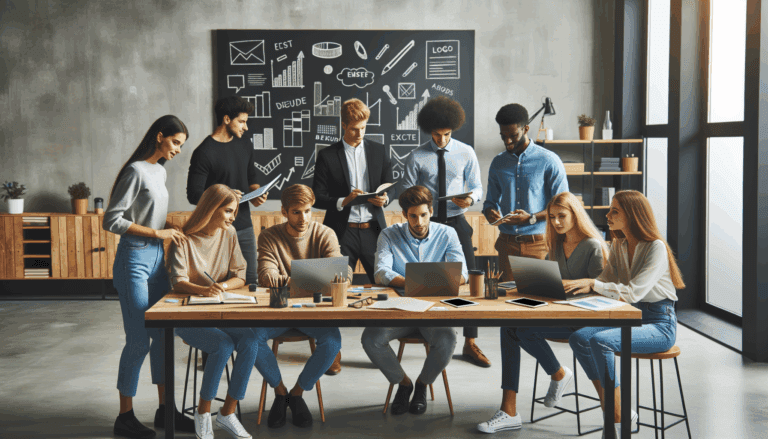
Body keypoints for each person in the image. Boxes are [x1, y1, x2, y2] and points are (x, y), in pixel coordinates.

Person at [477, 191, 608, 433]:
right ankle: (510, 410)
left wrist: (573, 290)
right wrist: (524, 285)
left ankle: (557, 375)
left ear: (575, 215)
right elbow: (549, 282)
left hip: (584, 320)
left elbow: (602, 294)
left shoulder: (593, 245)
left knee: (519, 330)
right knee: (510, 326)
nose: (556, 222)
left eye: (562, 216)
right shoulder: (556, 245)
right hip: (557, 313)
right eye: (552, 217)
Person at [565, 190, 684, 438]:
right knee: (579, 337)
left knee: (600, 341)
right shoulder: (619, 245)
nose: (607, 215)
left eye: (614, 211)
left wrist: (593, 285)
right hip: (630, 316)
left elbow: (633, 293)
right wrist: (573, 287)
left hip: (660, 323)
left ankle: (616, 415)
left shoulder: (656, 248)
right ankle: (617, 407)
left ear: (632, 215)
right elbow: (603, 281)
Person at [104, 115, 194, 438]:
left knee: (163, 334)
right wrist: (158, 233)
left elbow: (150, 215)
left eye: (181, 146)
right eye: (175, 143)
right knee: (139, 338)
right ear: (160, 136)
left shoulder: (160, 171)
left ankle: (164, 410)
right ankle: (124, 417)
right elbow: (111, 220)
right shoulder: (135, 171)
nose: (178, 150)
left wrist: (171, 232)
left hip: (158, 259)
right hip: (134, 259)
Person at [361, 185, 466, 416]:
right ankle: (403, 383)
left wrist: (417, 281)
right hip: (401, 308)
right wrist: (418, 282)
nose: (418, 221)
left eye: (423, 215)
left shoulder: (447, 234)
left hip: (434, 310)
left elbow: (463, 274)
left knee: (448, 339)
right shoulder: (389, 234)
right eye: (412, 216)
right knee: (370, 339)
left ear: (431, 211)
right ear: (404, 214)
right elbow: (381, 272)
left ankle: (422, 384)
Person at [402, 96, 488, 368]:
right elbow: (405, 192)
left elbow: (477, 187)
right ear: (429, 131)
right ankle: (429, 333)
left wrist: (470, 200)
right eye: (437, 135)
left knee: (470, 280)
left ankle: (470, 341)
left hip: (457, 221)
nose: (441, 140)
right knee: (426, 279)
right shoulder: (416, 156)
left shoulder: (466, 152)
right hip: (426, 226)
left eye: (447, 135)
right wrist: (419, 199)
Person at [168, 184, 259, 439]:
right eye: (228, 211)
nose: (232, 217)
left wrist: (223, 285)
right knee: (222, 344)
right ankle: (203, 412)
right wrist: (201, 289)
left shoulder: (228, 233)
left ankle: (227, 413)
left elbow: (240, 275)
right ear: (211, 208)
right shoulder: (183, 237)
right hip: (189, 316)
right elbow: (178, 280)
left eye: (234, 212)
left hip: (221, 310)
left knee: (251, 340)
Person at [255, 184, 348, 429]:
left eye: (307, 211)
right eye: (296, 212)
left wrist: (289, 280)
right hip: (279, 309)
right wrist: (317, 279)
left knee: (333, 342)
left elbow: (341, 270)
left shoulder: (325, 233)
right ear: (284, 211)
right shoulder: (269, 236)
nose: (303, 218)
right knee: (250, 339)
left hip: (312, 312)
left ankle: (297, 393)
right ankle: (280, 391)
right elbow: (266, 274)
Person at [312, 98, 393, 375]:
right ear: (343, 125)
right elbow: (317, 198)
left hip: (373, 230)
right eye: (354, 129)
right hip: (340, 233)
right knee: (334, 291)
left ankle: (381, 344)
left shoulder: (380, 151)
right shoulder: (326, 156)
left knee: (385, 287)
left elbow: (388, 186)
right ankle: (332, 352)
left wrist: (385, 198)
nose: (359, 134)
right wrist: (343, 201)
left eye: (364, 128)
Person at [186, 95, 269, 287]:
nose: (245, 127)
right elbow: (193, 195)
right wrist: (226, 195)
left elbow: (251, 179)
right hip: (214, 231)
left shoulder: (245, 145)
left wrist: (257, 193)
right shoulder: (204, 153)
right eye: (241, 121)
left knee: (250, 281)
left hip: (244, 227)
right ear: (226, 119)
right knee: (217, 282)